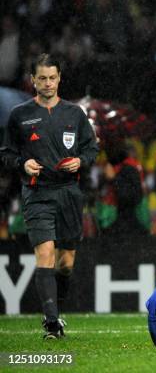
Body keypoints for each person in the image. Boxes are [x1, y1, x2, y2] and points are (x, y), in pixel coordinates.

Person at [0, 53, 99, 339]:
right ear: (33, 80)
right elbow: (6, 153)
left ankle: (56, 306)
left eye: (52, 78)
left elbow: (91, 149)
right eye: (41, 78)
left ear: (59, 79)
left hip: (69, 192)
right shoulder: (19, 115)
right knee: (44, 253)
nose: (47, 83)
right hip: (37, 192)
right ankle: (52, 322)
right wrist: (22, 164)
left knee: (65, 263)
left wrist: (81, 161)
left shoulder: (74, 114)